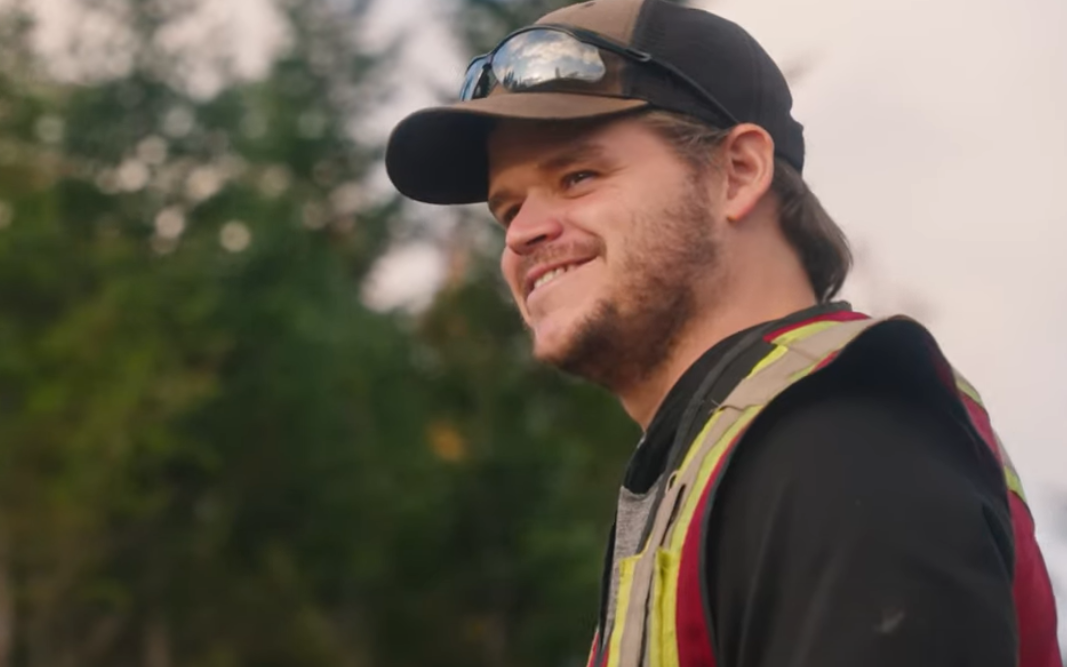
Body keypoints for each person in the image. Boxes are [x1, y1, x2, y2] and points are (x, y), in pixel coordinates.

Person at [385, 0, 1063, 665]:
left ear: (736, 173)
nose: (523, 233)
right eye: (507, 209)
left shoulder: (842, 439)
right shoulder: (711, 468)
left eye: (577, 175)